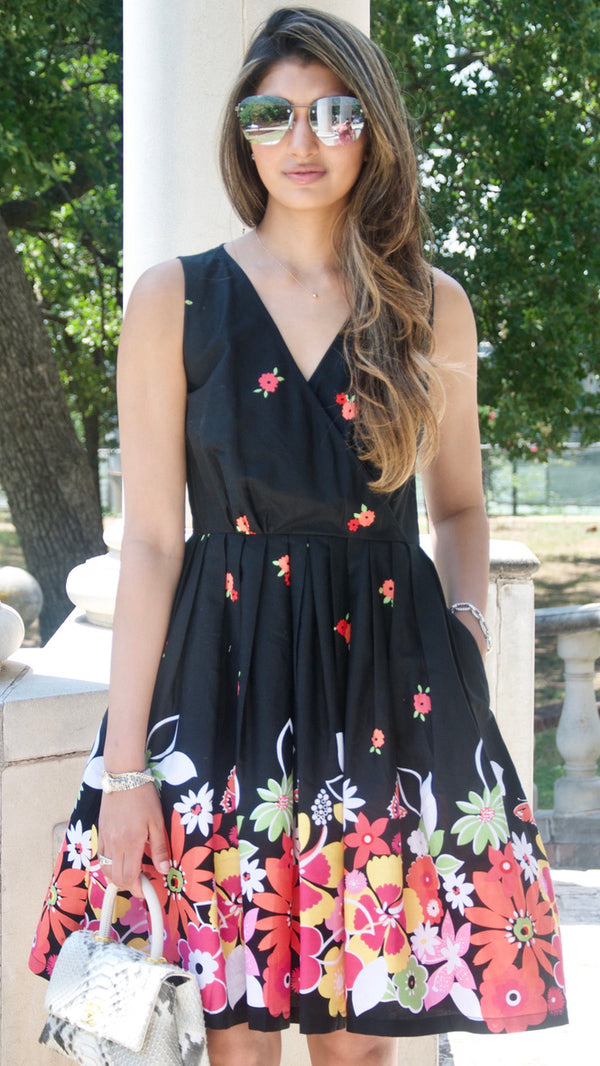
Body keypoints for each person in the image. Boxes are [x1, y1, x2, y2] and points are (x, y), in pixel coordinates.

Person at [31, 8, 568, 1065]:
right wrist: (125, 771)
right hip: (221, 685)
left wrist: (464, 629)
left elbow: (461, 507)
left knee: (362, 1034)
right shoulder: (177, 298)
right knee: (231, 1031)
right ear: (242, 132)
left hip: (388, 689)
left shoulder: (430, 305)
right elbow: (151, 542)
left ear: (376, 130)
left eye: (336, 113)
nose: (303, 140)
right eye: (272, 114)